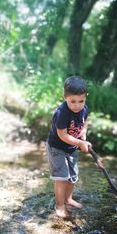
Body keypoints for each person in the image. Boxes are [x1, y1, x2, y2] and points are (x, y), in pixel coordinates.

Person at [46, 75, 91, 218]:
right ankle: (59, 205)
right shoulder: (62, 113)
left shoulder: (84, 109)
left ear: (85, 97)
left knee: (72, 177)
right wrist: (80, 143)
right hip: (57, 148)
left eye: (81, 101)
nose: (77, 105)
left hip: (71, 148)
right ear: (65, 97)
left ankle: (68, 199)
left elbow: (85, 122)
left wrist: (83, 132)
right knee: (62, 178)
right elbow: (63, 136)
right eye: (73, 101)